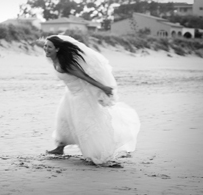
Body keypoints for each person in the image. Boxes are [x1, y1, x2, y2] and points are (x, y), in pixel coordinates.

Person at [43, 35, 140, 167]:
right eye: (45, 46)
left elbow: (85, 77)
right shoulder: (55, 59)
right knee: (63, 120)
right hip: (69, 95)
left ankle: (98, 155)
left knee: (85, 125)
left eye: (49, 46)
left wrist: (103, 87)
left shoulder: (67, 64)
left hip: (81, 97)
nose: (46, 49)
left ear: (57, 49)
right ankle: (60, 147)